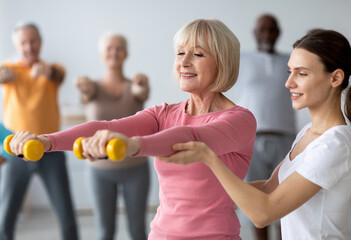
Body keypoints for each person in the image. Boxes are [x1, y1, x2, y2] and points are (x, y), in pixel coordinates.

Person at [8, 19, 257, 239]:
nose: (184, 62)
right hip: (161, 235)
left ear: (222, 61)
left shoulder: (239, 121)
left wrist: (132, 145)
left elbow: (190, 138)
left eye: (198, 54)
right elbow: (106, 126)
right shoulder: (164, 113)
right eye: (180, 53)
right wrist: (45, 142)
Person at [158, 29, 351, 240]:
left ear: (335, 78)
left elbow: (264, 212)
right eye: (289, 71)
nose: (288, 83)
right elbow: (268, 188)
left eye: (301, 73)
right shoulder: (309, 133)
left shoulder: (334, 145)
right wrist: (197, 195)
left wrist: (209, 159)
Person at [0, 22, 79, 240]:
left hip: (51, 149)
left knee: (66, 215)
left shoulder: (53, 70)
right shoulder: (8, 70)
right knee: (5, 217)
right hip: (14, 151)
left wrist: (47, 71)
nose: (29, 47)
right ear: (17, 45)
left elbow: (58, 75)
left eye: (32, 41)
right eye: (23, 42)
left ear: (40, 42)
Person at [74, 32, 150, 240]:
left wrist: (141, 86)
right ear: (101, 54)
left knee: (138, 231)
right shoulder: (91, 87)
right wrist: (83, 87)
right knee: (105, 232)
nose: (114, 53)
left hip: (135, 169)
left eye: (119, 48)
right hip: (99, 171)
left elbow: (140, 91)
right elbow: (85, 93)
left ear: (126, 53)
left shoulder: (135, 84)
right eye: (109, 48)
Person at [234, 14, 296, 240]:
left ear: (278, 32)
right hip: (251, 140)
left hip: (286, 140)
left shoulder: (291, 61)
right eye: (263, 29)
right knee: (255, 199)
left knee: (284, 200)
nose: (267, 34)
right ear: (255, 32)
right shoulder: (240, 60)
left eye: (272, 29)